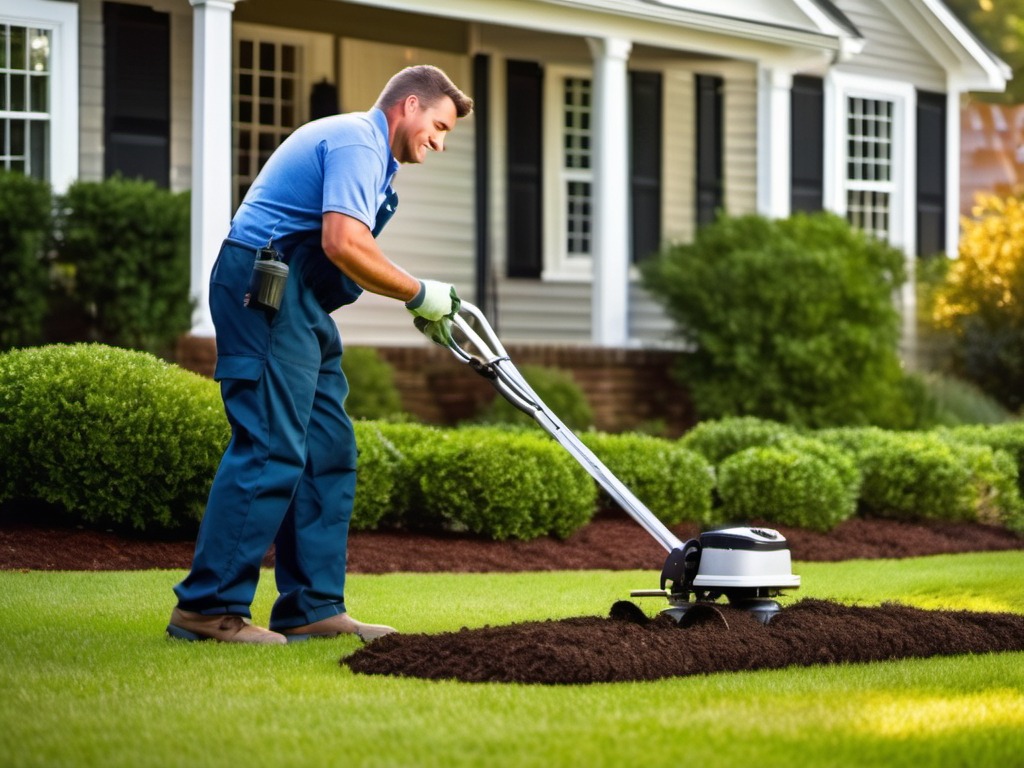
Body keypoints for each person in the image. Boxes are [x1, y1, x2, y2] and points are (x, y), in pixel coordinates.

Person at [168, 65, 474, 645]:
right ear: (409, 105)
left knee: (327, 446)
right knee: (271, 443)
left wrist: (418, 303)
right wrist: (419, 292)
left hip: (298, 302)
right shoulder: (359, 141)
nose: (438, 141)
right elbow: (342, 242)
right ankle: (207, 609)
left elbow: (338, 253)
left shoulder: (377, 166)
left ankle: (312, 606)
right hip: (262, 288)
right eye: (438, 126)